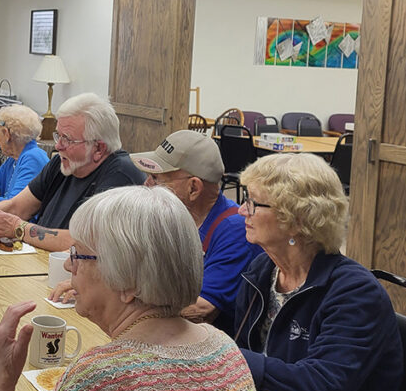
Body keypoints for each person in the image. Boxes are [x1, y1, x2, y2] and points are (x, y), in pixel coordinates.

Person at [0, 186, 273, 391]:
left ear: (128, 283)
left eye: (78, 255)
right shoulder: (222, 348)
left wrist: (1, 389)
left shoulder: (104, 379)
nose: (69, 266)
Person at [234, 153, 402, 391]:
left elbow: (323, 387)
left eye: (254, 204)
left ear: (297, 220)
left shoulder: (354, 292)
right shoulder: (262, 271)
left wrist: (229, 357)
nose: (242, 211)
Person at [52, 130, 262, 333]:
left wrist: (105, 295)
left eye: (156, 178)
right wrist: (93, 283)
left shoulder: (234, 228)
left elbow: (201, 308)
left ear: (193, 188)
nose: (146, 184)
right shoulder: (174, 222)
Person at [0, 93, 145, 251]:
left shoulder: (120, 175)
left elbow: (84, 242)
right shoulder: (61, 164)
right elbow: (17, 206)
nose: (58, 146)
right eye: (58, 136)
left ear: (99, 148)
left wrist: (19, 228)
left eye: (67, 139)